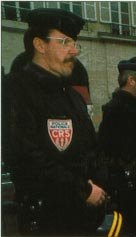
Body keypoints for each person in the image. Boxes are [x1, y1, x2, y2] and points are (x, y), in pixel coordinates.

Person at [2, 8, 107, 235]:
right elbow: (25, 157)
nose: (74, 51)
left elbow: (91, 148)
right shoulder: (15, 89)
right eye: (65, 42)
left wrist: (100, 185)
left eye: (75, 43)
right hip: (47, 222)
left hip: (83, 219)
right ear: (40, 45)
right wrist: (84, 190)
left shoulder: (72, 96)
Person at [97, 59, 136, 235]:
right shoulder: (125, 109)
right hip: (128, 187)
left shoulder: (122, 106)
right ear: (131, 80)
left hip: (124, 184)